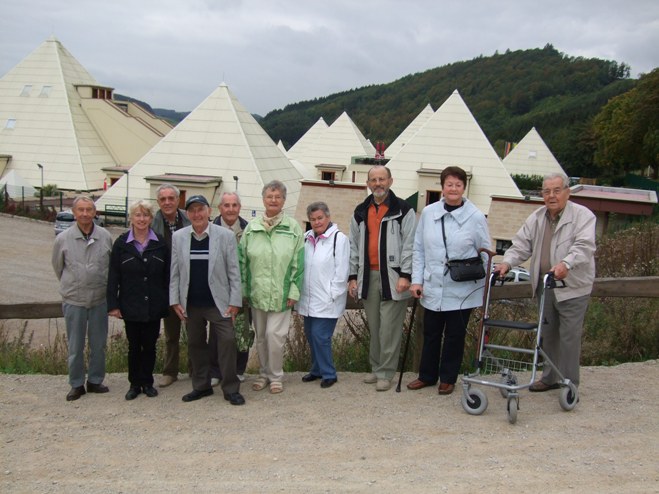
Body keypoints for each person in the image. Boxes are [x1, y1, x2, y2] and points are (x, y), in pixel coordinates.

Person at [494, 172, 596, 391]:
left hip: (573, 287)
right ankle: (549, 378)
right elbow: (521, 245)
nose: (551, 196)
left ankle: (569, 384)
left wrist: (566, 264)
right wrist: (507, 263)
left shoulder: (583, 216)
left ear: (567, 192)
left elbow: (584, 246)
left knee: (569, 337)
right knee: (547, 334)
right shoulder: (537, 217)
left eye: (557, 190)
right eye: (547, 191)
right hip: (546, 285)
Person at [406, 166, 492, 395]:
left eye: (458, 185)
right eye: (449, 184)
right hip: (432, 285)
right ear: (442, 187)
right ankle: (426, 375)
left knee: (455, 335)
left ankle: (448, 378)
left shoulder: (475, 217)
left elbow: (486, 252)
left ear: (464, 187)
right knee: (431, 333)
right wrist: (417, 281)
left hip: (463, 288)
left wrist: (484, 287)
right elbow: (418, 249)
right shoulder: (428, 213)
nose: (453, 189)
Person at [169, 195, 245, 405]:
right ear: (187, 214)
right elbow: (175, 272)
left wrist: (235, 302)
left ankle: (230, 389)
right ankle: (201, 386)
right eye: (192, 210)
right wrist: (175, 301)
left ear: (209, 211)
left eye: (200, 209)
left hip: (219, 303)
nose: (197, 214)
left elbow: (234, 271)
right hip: (191, 304)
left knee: (227, 341)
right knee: (195, 344)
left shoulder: (225, 236)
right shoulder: (179, 237)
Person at [348, 165, 416, 392]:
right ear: (368, 183)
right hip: (368, 276)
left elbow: (410, 245)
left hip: (394, 276)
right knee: (375, 327)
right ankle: (376, 368)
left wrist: (406, 274)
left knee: (389, 328)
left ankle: (386, 372)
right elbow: (353, 246)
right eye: (373, 180)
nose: (378, 183)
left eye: (382, 179)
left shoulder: (403, 210)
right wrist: (352, 276)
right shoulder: (360, 211)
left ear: (390, 181)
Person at [239, 180, 304, 394]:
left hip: (281, 293)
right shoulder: (252, 228)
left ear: (284, 200)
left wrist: (294, 290)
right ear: (263, 199)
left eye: (278, 197)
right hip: (257, 292)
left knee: (274, 336)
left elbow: (299, 263)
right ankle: (264, 374)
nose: (273, 200)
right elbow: (242, 260)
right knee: (261, 337)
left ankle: (276, 376)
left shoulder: (292, 228)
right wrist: (244, 290)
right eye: (269, 196)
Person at [107, 200, 170, 400]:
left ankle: (148, 382)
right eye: (138, 215)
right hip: (131, 304)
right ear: (131, 218)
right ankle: (134, 384)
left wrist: (167, 301)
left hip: (154, 304)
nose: (141, 219)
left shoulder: (160, 243)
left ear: (151, 218)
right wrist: (113, 304)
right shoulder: (121, 244)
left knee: (150, 346)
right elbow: (113, 275)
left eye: (145, 215)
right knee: (134, 346)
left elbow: (168, 276)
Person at [52, 196, 113, 401]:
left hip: (99, 299)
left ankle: (95, 380)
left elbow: (111, 266)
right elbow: (58, 267)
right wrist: (73, 284)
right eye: (81, 210)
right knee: (75, 346)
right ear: (74, 212)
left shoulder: (105, 236)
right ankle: (76, 384)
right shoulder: (63, 239)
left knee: (98, 344)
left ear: (95, 212)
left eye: (89, 210)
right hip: (74, 300)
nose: (85, 214)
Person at [296, 202, 350, 389]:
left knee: (320, 336)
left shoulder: (339, 239)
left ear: (328, 217)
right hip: (308, 299)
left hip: (327, 299)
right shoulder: (306, 238)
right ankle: (317, 369)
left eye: (320, 218)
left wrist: (333, 294)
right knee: (311, 336)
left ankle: (329, 373)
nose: (317, 222)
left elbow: (342, 271)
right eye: (313, 219)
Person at [209, 191, 252, 385]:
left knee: (242, 329)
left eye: (234, 205)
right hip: (217, 288)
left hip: (242, 288)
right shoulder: (210, 229)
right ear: (220, 208)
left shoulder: (248, 229)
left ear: (239, 208)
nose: (231, 209)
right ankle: (215, 371)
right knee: (217, 332)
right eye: (226, 205)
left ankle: (239, 368)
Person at [151, 184, 191, 388]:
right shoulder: (152, 223)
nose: (167, 202)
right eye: (163, 199)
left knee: (195, 331)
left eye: (171, 198)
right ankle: (170, 371)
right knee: (171, 333)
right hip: (166, 285)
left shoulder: (189, 218)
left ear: (178, 200)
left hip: (191, 284)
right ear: (158, 202)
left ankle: (196, 369)